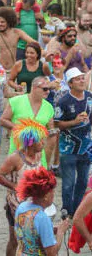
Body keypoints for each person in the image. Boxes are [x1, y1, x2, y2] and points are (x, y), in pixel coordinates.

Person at [0, 119, 46, 256]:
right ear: (31, 143)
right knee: (15, 239)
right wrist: (15, 186)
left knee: (33, 238)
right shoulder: (15, 158)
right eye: (40, 140)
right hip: (15, 204)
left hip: (33, 202)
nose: (43, 143)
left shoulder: (39, 154)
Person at [55, 67, 92, 216]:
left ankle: (76, 211)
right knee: (69, 182)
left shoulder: (90, 97)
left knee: (83, 181)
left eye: (83, 78)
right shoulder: (63, 101)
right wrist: (74, 122)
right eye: (78, 79)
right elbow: (57, 124)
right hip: (68, 148)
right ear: (70, 83)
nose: (82, 81)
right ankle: (66, 209)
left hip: (86, 147)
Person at [1, 76, 57, 168]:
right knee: (16, 180)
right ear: (34, 87)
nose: (48, 92)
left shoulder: (48, 107)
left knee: (36, 181)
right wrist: (22, 129)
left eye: (49, 89)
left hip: (38, 153)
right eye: (45, 89)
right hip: (18, 150)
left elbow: (51, 130)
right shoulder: (16, 101)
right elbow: (3, 120)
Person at [14, 167, 70, 255]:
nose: (54, 194)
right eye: (53, 191)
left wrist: (51, 229)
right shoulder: (43, 218)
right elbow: (51, 252)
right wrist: (60, 232)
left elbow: (26, 231)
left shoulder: (22, 207)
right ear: (46, 196)